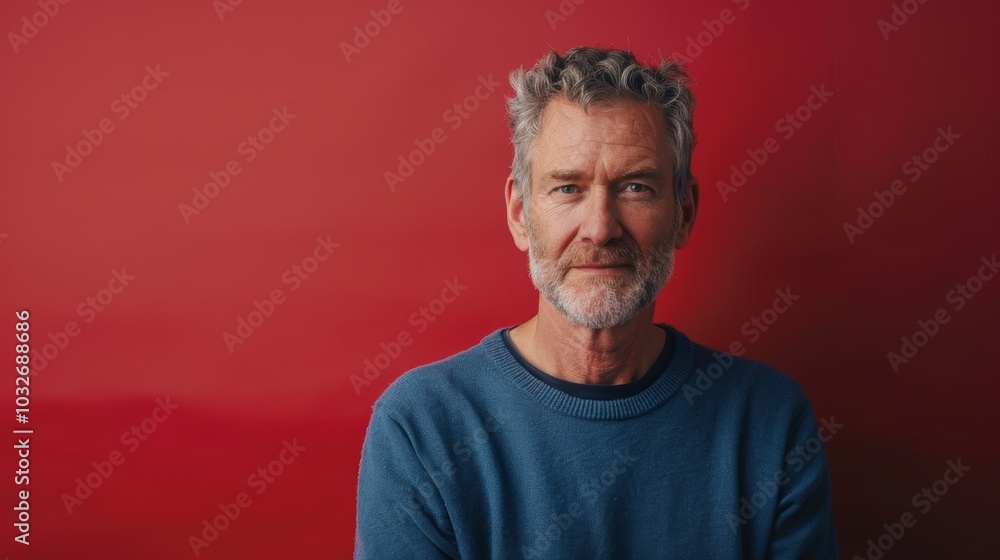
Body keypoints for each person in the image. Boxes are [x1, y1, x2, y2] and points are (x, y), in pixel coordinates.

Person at [354, 45, 838, 559]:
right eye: (568, 188)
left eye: (636, 187)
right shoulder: (421, 428)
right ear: (520, 213)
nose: (600, 228)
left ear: (684, 213)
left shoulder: (770, 423)